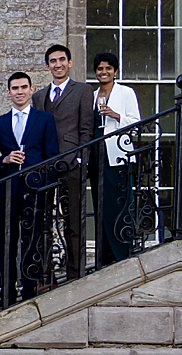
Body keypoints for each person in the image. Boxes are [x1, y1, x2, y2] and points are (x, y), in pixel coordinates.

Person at [0, 71, 61, 298]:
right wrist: (5, 159)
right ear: (8, 92)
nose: (19, 92)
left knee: (32, 239)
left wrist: (44, 185)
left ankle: (30, 288)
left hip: (35, 189)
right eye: (15, 88)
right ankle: (7, 291)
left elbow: (52, 156)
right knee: (7, 240)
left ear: (31, 90)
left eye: (23, 87)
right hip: (7, 190)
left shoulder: (44, 120)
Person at [36, 42, 102, 278]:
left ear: (70, 62)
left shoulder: (83, 90)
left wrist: (82, 159)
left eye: (62, 60)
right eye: (53, 61)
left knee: (73, 220)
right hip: (45, 165)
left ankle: (76, 273)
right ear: (47, 66)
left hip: (72, 162)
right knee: (42, 221)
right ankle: (45, 275)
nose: (58, 64)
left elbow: (86, 128)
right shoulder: (39, 96)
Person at [90, 52, 144, 265]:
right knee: (101, 203)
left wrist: (116, 115)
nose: (104, 72)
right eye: (100, 69)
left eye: (108, 68)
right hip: (96, 154)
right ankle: (103, 255)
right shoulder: (93, 95)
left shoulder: (125, 93)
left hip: (117, 155)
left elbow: (137, 123)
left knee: (119, 204)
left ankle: (121, 253)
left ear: (115, 71)